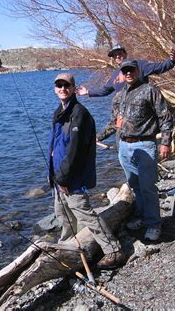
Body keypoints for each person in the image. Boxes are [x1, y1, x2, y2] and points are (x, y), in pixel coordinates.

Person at [48, 73, 125, 269]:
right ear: (55, 89)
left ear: (74, 88)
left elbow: (75, 151)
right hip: (59, 177)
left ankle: (113, 250)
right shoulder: (59, 112)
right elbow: (56, 146)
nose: (63, 89)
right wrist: (54, 176)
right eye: (59, 85)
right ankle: (67, 250)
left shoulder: (79, 113)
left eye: (67, 85)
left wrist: (64, 178)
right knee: (63, 215)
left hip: (70, 178)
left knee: (86, 215)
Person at [116, 60, 173, 241]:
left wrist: (165, 142)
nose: (128, 74)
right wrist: (95, 138)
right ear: (121, 74)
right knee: (135, 186)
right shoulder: (121, 95)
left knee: (148, 188)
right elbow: (114, 122)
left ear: (138, 71)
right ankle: (142, 217)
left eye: (131, 70)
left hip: (145, 145)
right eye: (125, 71)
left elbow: (165, 116)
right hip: (124, 146)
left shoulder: (150, 90)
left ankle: (154, 224)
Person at [77, 44, 175, 97]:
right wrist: (88, 92)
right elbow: (105, 90)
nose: (117, 56)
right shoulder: (115, 75)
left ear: (125, 54)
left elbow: (159, 67)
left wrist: (171, 61)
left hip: (143, 115)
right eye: (114, 55)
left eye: (119, 53)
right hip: (125, 117)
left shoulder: (140, 65)